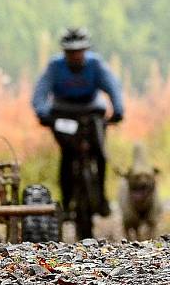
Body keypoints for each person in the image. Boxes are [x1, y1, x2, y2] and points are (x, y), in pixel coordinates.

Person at [31, 27, 124, 216]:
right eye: (71, 52)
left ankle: (101, 196)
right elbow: (40, 92)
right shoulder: (55, 66)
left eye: (79, 51)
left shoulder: (95, 64)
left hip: (92, 111)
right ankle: (66, 202)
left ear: (86, 50)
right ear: (64, 52)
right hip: (63, 111)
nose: (75, 56)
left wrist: (118, 111)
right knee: (67, 154)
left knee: (99, 152)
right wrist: (42, 113)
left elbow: (113, 86)